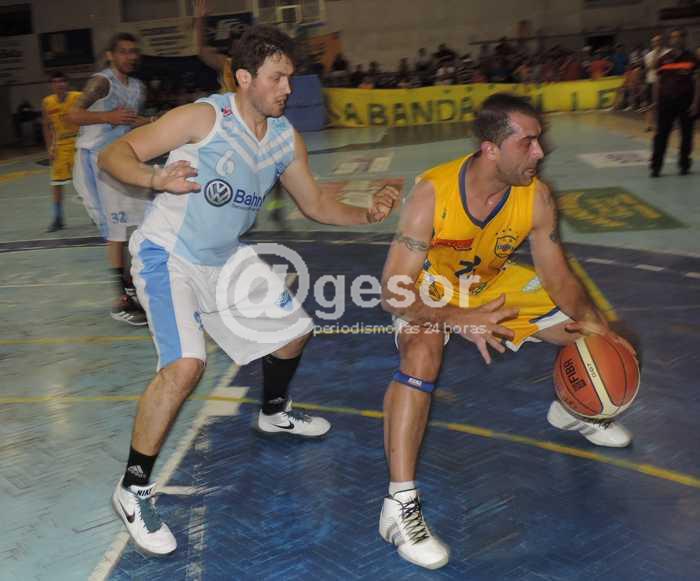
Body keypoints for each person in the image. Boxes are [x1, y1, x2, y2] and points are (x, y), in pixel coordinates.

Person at [97, 24, 399, 556]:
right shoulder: (203, 118)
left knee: (295, 332)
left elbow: (315, 204)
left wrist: (366, 214)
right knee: (185, 366)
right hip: (167, 256)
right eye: (277, 78)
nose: (288, 88)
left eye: (291, 77)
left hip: (224, 258)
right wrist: (155, 180)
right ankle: (133, 488)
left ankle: (274, 411)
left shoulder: (284, 138)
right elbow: (115, 154)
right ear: (244, 78)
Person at [377, 93, 637, 570]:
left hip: (490, 285)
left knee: (588, 331)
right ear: (491, 149)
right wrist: (457, 318)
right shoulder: (432, 194)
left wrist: (599, 330)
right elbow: (393, 291)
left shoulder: (535, 196)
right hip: (429, 288)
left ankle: (575, 408)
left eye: (539, 141)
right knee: (422, 353)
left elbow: (558, 277)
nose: (540, 152)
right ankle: (399, 506)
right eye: (528, 142)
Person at [68, 33, 154, 325]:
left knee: (138, 224)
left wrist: (154, 122)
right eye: (124, 51)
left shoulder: (138, 87)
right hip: (93, 162)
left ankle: (136, 288)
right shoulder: (101, 82)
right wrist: (108, 117)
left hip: (120, 160)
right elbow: (72, 114)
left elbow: (128, 121)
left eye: (134, 51)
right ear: (110, 55)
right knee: (114, 230)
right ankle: (122, 300)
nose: (130, 56)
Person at [650, 29, 699, 177]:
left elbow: (697, 82)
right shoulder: (663, 59)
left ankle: (684, 165)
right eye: (672, 37)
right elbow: (657, 83)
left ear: (684, 39)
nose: (675, 40)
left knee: (686, 135)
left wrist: (696, 103)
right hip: (666, 102)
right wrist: (655, 103)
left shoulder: (692, 58)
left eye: (678, 37)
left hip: (686, 102)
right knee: (661, 135)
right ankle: (656, 167)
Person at [41, 71, 81, 232]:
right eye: (56, 81)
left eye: (62, 81)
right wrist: (49, 147)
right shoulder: (47, 102)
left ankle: (95, 215)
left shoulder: (78, 97)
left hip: (79, 143)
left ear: (67, 83)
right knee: (56, 184)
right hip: (60, 146)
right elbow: (46, 126)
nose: (59, 84)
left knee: (85, 183)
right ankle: (58, 219)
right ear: (52, 85)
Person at [194, 0, 237, 93]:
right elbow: (202, 51)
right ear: (231, 50)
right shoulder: (227, 63)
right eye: (235, 45)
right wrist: (201, 19)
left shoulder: (253, 65)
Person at [643, 34, 668, 132]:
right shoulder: (648, 55)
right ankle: (648, 125)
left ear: (662, 41)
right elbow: (652, 67)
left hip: (664, 82)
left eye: (658, 41)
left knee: (663, 105)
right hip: (651, 81)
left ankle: (661, 124)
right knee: (649, 105)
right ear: (652, 43)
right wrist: (656, 54)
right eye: (654, 41)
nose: (657, 43)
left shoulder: (668, 53)